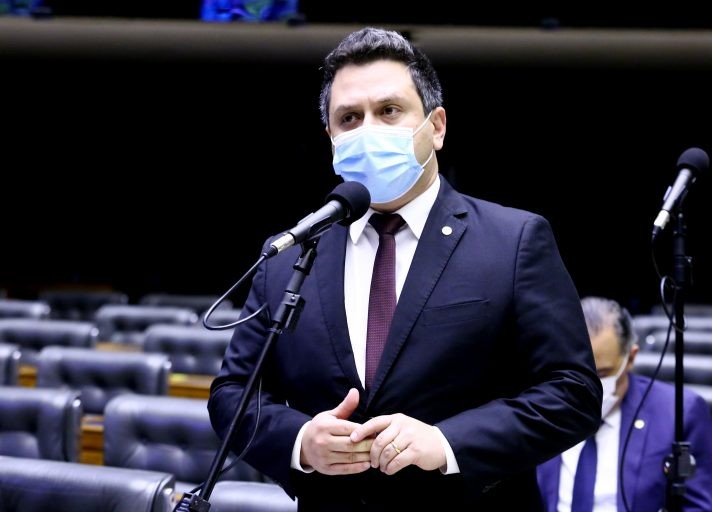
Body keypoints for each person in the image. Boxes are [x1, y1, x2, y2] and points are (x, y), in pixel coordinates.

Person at [208, 26, 602, 510]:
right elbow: (232, 394)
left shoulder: (514, 240)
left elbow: (573, 394)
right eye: (349, 118)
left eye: (389, 110)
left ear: (436, 127)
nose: (368, 129)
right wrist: (301, 441)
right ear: (331, 139)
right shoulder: (289, 253)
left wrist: (448, 442)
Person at [537, 296, 712, 511]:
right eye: (577, 374)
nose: (587, 386)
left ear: (630, 358)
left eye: (602, 374)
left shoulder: (679, 412)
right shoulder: (540, 408)